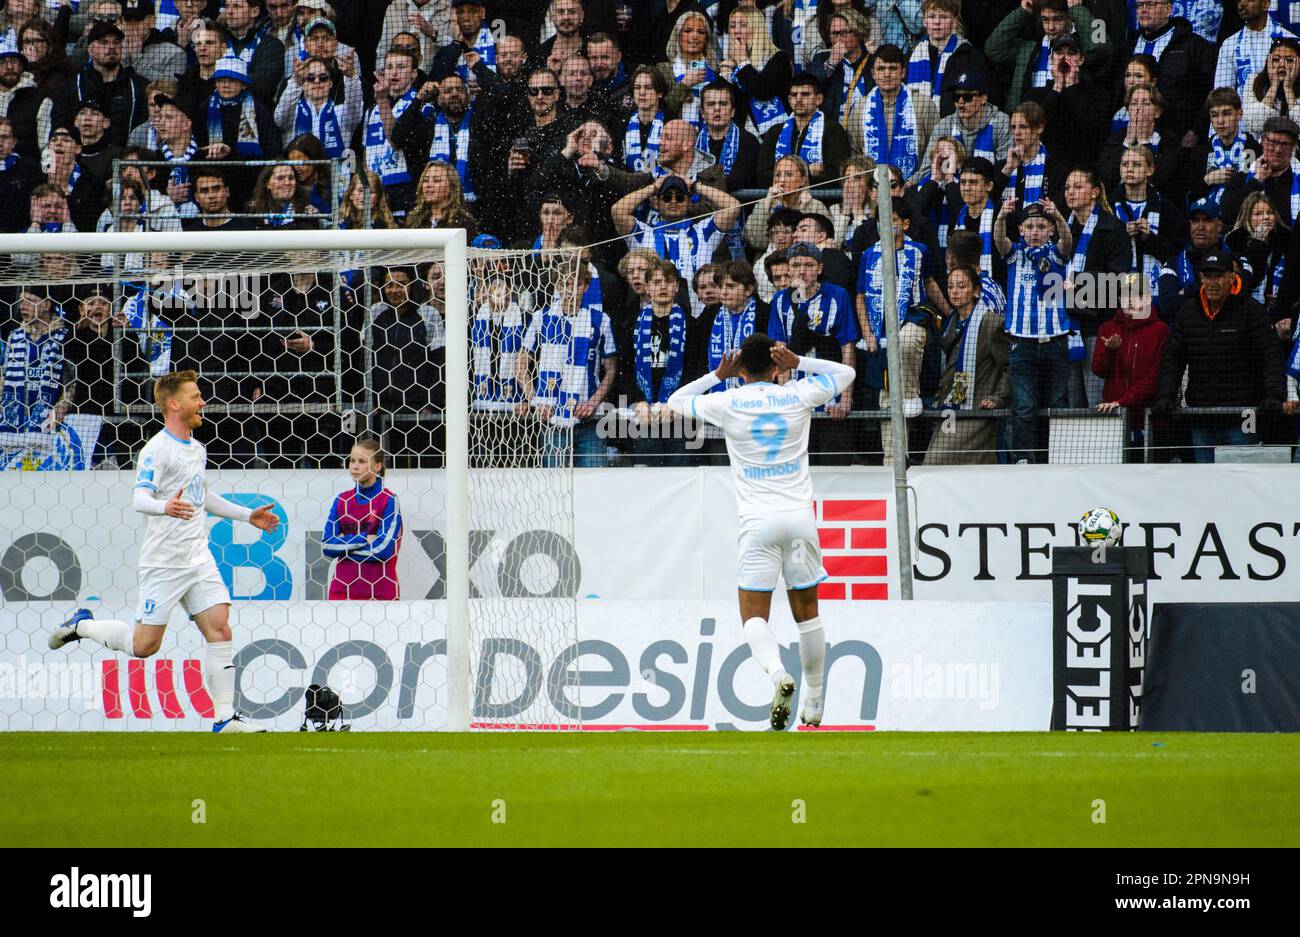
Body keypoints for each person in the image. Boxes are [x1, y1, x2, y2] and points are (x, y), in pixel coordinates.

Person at [47, 369, 280, 733]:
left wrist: (246, 515)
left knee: (219, 629)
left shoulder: (197, 448)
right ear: (174, 404)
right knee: (144, 647)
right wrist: (164, 507)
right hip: (164, 562)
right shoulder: (156, 449)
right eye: (195, 396)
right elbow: (140, 497)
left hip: (197, 558)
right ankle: (82, 625)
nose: (202, 402)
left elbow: (202, 498)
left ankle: (225, 718)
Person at [664, 333, 856, 729]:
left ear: (741, 372)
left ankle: (777, 675)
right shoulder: (798, 394)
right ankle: (815, 701)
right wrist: (799, 361)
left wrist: (716, 375)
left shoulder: (729, 401)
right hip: (800, 519)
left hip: (758, 523)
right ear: (776, 367)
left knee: (753, 617)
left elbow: (675, 402)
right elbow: (846, 372)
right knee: (808, 615)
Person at [1154, 250, 1284, 461]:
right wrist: (1165, 396)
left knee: (1243, 480)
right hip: (1202, 416)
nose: (1213, 282)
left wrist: (1274, 395)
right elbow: (1173, 359)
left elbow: (1271, 354)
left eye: (1219, 276)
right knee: (1206, 485)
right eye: (1208, 276)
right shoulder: (1187, 313)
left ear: (1232, 278)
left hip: (1244, 415)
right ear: (1201, 278)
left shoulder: (1251, 310)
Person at [992, 197, 1075, 463]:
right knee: (1024, 407)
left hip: (1055, 340)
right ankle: (1023, 460)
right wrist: (1002, 216)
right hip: (1021, 343)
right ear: (1021, 230)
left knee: (1058, 403)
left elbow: (1068, 242)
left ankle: (1060, 456)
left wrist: (1058, 216)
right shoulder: (1014, 254)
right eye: (1030, 227)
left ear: (1050, 230)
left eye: (1041, 226)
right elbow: (998, 240)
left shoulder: (1055, 254)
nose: (1035, 232)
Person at [514, 263, 618, 468]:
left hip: (590, 421)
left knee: (593, 486)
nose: (569, 290)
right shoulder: (540, 318)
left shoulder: (600, 320)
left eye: (576, 284)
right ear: (557, 286)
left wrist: (593, 401)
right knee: (555, 488)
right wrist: (534, 399)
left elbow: (611, 369)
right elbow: (521, 364)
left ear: (586, 286)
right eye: (564, 284)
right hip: (552, 419)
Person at [925, 263, 1010, 464]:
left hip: (976, 410)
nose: (954, 292)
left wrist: (997, 397)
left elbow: (1010, 366)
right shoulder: (949, 323)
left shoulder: (991, 323)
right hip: (950, 409)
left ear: (976, 290)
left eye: (961, 286)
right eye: (951, 286)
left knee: (936, 462)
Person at [1091, 274, 1169, 460]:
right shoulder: (1107, 328)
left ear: (1148, 298)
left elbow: (1155, 378)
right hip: (1116, 422)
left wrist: (1122, 401)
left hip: (1148, 422)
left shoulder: (1161, 330)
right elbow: (1098, 370)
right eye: (1126, 294)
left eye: (1138, 295)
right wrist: (1110, 351)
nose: (1131, 300)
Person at [322, 438, 404, 600]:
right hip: (341, 593)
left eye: (362, 461)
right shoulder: (341, 500)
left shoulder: (389, 500)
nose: (355, 466)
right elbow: (327, 546)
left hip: (381, 593)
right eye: (352, 460)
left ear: (377, 466)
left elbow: (384, 550)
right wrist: (364, 538)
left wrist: (345, 548)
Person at [985, 0, 1102, 112]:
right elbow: (993, 49)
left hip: (1065, 123)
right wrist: (1022, 12)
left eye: (1057, 19)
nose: (1050, 27)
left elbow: (1101, 48)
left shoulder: (1079, 50)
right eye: (1045, 20)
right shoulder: (1029, 48)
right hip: (1026, 124)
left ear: (1070, 18)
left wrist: (1077, 11)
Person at [1215, 0, 1298, 99]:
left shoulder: (1291, 40)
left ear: (1265, 4)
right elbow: (1223, 94)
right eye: (1239, 1)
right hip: (1244, 112)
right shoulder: (1229, 44)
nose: (1242, 4)